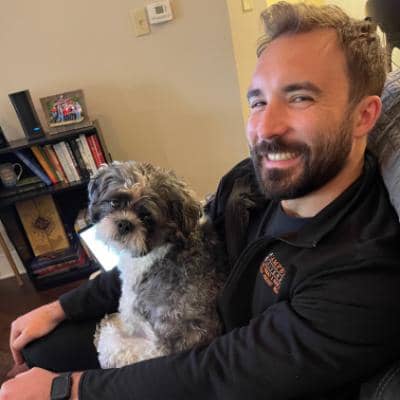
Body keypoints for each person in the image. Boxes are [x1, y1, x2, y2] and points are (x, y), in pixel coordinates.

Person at [2, 2, 400, 399]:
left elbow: (222, 372)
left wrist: (69, 390)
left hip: (220, 373)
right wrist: (62, 307)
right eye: (258, 101)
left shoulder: (362, 275)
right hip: (185, 334)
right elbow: (161, 257)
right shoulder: (250, 182)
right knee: (39, 348)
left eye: (300, 98)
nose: (265, 128)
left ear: (363, 116)